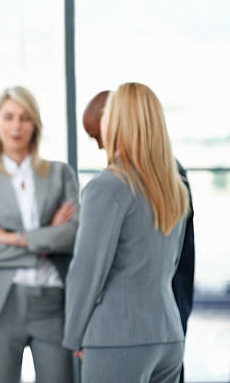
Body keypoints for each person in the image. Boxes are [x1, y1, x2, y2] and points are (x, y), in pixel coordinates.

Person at [63, 82, 189, 382]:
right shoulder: (174, 189)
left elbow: (87, 270)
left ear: (117, 120)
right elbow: (171, 266)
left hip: (118, 335)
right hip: (168, 335)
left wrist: (74, 335)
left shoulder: (106, 187)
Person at [0, 86, 78, 383]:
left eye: (25, 118)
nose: (16, 125)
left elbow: (71, 236)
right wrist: (46, 239)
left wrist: (11, 238)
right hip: (2, 305)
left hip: (54, 302)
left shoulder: (60, 174)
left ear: (36, 125)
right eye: (9, 117)